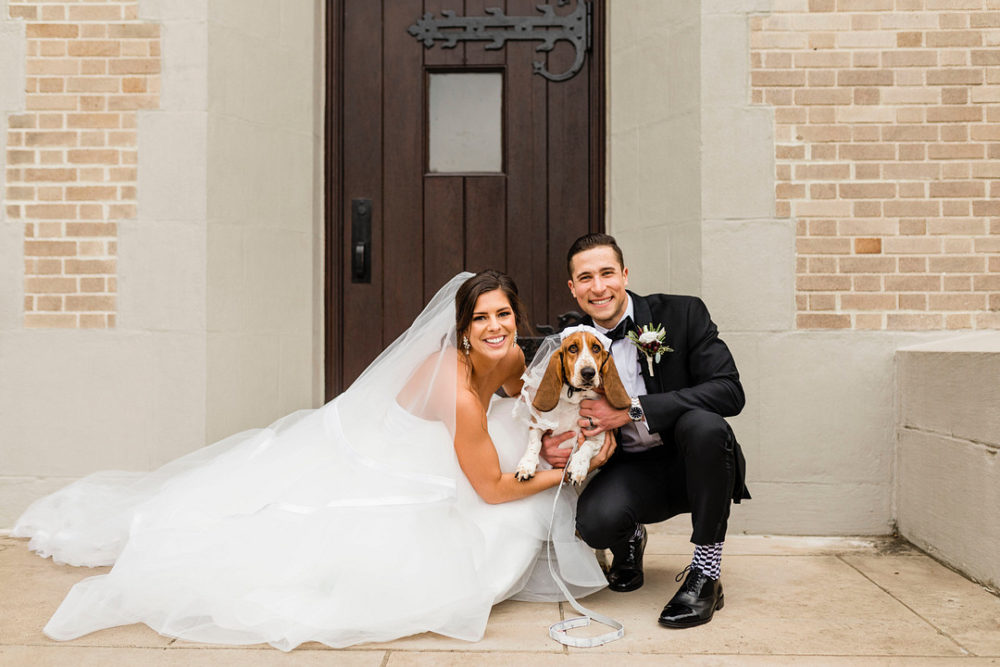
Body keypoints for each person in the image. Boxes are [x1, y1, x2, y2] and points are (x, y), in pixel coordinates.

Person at [13, 270, 613, 651]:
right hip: (378, 452)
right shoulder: (453, 388)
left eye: (502, 314)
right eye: (480, 317)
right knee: (301, 539)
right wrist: (570, 469)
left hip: (450, 447)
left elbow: (520, 401)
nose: (494, 327)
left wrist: (567, 430)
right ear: (460, 330)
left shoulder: (509, 358)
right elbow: (490, 488)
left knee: (511, 462)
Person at [541, 233, 749, 629]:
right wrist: (555, 444)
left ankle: (706, 573)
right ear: (573, 288)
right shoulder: (574, 341)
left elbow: (730, 391)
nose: (598, 287)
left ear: (624, 273)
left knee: (705, 425)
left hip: (695, 462)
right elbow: (552, 405)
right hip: (630, 467)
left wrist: (631, 410)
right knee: (595, 522)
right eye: (585, 278)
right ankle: (630, 538)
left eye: (607, 273)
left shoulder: (683, 314)